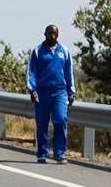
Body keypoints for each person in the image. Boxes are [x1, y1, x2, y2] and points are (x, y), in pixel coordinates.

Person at [27, 24, 76, 164]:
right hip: (42, 92)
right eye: (49, 33)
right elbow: (32, 72)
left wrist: (71, 92)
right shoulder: (38, 51)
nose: (52, 35)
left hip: (60, 91)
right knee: (42, 123)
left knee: (60, 120)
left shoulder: (64, 51)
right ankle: (42, 153)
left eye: (54, 33)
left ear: (58, 35)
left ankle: (59, 153)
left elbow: (69, 73)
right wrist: (32, 90)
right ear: (45, 34)